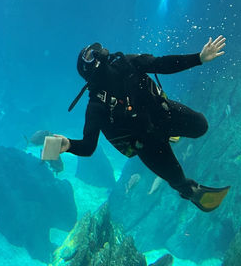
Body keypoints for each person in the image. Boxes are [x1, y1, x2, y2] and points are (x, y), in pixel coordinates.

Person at [55, 35, 230, 212]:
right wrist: (68, 144)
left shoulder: (128, 62)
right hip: (146, 143)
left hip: (164, 114)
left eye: (95, 48)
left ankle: (170, 136)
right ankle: (192, 192)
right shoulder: (96, 105)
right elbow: (88, 146)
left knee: (201, 126)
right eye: (90, 54)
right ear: (89, 67)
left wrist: (198, 58)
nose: (98, 50)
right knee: (178, 181)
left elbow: (162, 64)